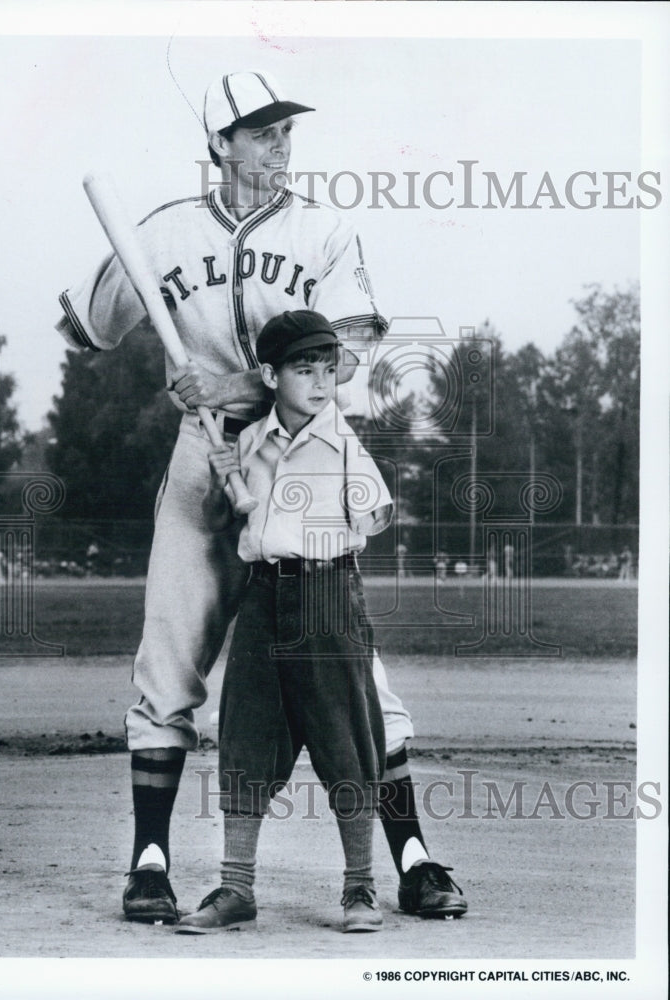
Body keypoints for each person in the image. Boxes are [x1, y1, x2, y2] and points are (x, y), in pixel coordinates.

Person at [55, 69, 465, 924]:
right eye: (262, 131)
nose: (281, 146)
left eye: (286, 130)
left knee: (353, 670)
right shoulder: (162, 234)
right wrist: (176, 375)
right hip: (203, 465)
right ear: (219, 145)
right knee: (166, 664)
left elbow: (345, 352)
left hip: (306, 463)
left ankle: (414, 859)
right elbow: (88, 328)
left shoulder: (322, 230)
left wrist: (237, 376)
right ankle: (151, 861)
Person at [177, 311, 390, 933]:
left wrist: (349, 516)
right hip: (264, 596)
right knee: (247, 734)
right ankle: (236, 887)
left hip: (327, 595)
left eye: (330, 371)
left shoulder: (344, 444)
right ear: (269, 376)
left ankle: (360, 889)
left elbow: (373, 518)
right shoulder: (248, 442)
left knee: (345, 736)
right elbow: (228, 523)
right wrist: (227, 482)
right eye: (305, 370)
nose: (322, 384)